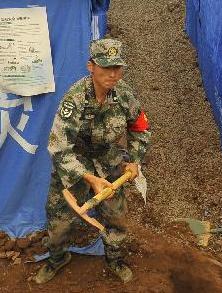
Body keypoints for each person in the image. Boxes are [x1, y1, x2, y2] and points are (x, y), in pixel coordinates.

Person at [34, 38, 151, 284]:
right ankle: (57, 258)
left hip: (109, 163)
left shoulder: (125, 96)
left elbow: (140, 128)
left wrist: (135, 161)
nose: (112, 74)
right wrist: (89, 179)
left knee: (117, 219)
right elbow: (58, 147)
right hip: (74, 165)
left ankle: (114, 259)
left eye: (117, 68)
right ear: (91, 67)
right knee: (59, 221)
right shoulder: (74, 99)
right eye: (106, 67)